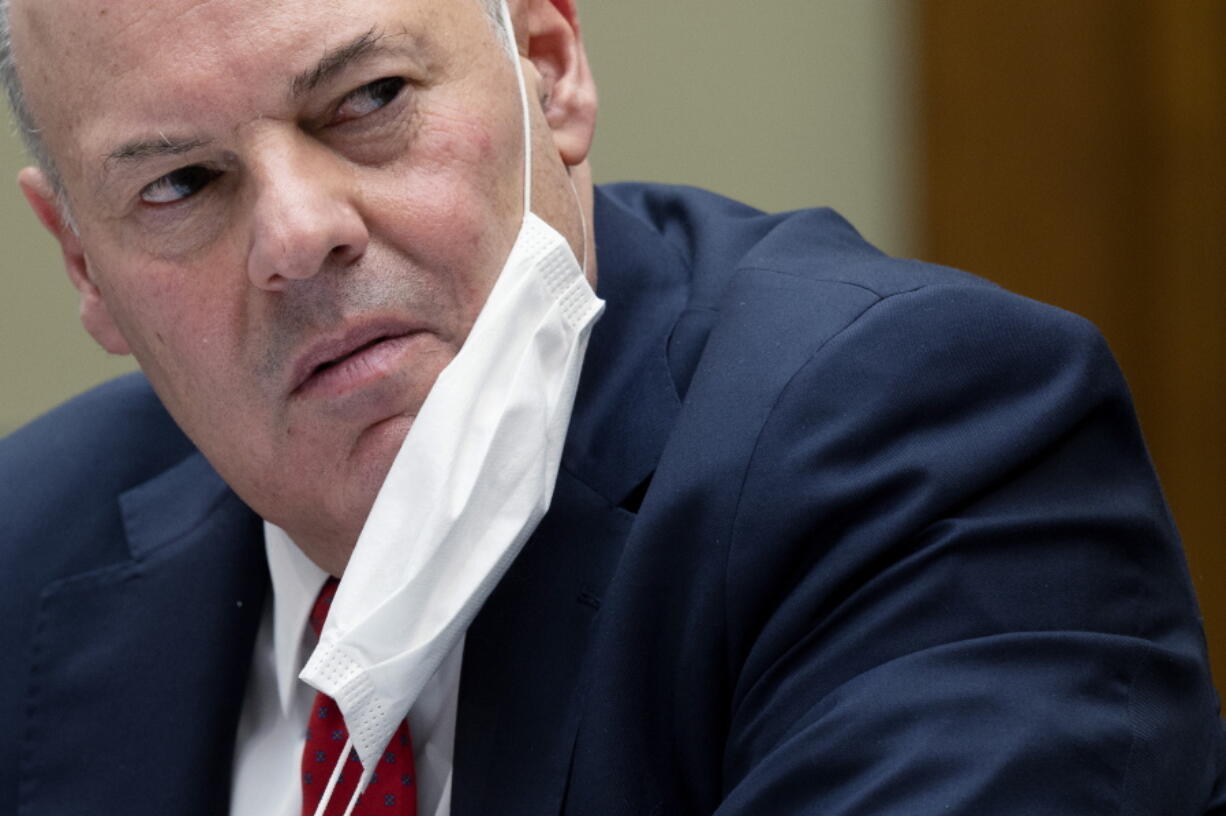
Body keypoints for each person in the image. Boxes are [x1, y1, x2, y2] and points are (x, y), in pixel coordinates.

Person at [0, 0, 1222, 813]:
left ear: (549, 63)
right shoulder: (24, 546)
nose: (298, 234)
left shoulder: (916, 440)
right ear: (82, 268)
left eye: (367, 101)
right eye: (179, 183)